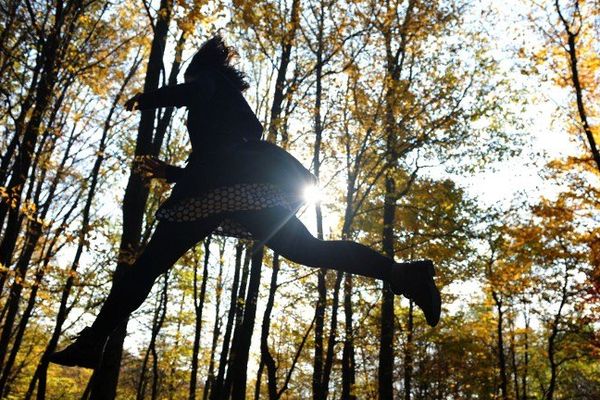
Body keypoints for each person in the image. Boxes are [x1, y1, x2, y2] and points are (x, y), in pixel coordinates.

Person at [49, 35, 441, 369]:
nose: (192, 87)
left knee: (147, 267)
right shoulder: (230, 103)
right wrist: (173, 173)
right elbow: (218, 162)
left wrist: (149, 97)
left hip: (215, 194)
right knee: (308, 249)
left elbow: (204, 126)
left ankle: (92, 341)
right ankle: (404, 275)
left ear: (200, 70)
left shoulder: (206, 80)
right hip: (243, 189)